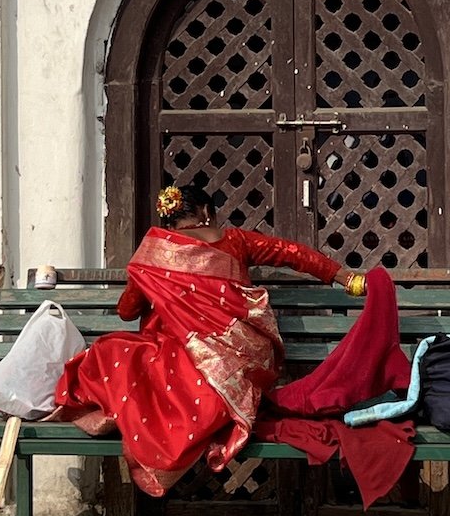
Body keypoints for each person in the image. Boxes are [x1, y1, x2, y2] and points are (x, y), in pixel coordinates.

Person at [50, 183, 367, 497]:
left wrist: (154, 282)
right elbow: (291, 253)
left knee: (112, 352)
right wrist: (347, 279)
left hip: (176, 373)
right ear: (205, 212)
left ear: (170, 218)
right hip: (235, 371)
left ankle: (119, 419)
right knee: (160, 360)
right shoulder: (235, 240)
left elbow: (126, 311)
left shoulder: (154, 251)